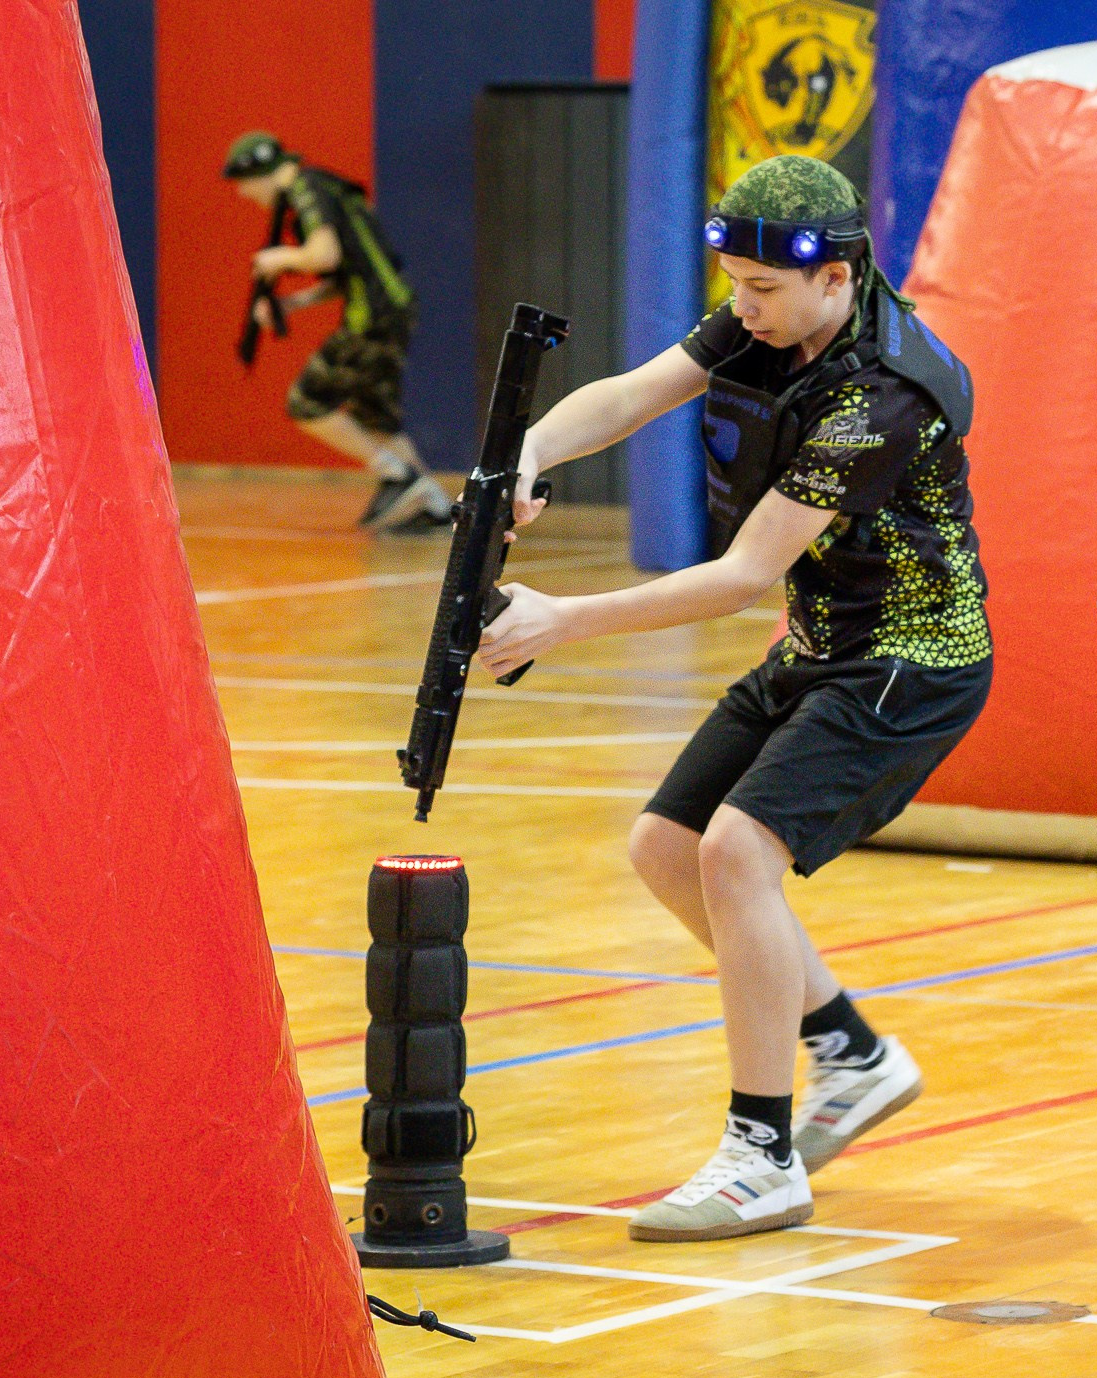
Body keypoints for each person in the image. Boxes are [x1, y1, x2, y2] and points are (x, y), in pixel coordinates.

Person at [476, 155, 990, 1242]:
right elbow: (633, 392)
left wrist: (560, 619)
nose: (739, 309)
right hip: (822, 644)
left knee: (735, 851)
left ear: (837, 281)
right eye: (736, 287)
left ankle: (761, 1156)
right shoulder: (769, 318)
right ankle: (852, 1051)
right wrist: (531, 446)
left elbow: (742, 574)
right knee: (667, 845)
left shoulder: (877, 394)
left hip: (909, 662)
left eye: (760, 291)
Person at [222, 130, 452, 532]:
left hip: (374, 316)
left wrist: (281, 258)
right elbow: (347, 271)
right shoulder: (327, 188)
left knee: (307, 400)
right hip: (392, 307)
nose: (244, 194)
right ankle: (433, 504)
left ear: (260, 173)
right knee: (376, 416)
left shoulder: (305, 189)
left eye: (243, 183)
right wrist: (294, 303)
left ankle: (399, 475)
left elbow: (325, 254)